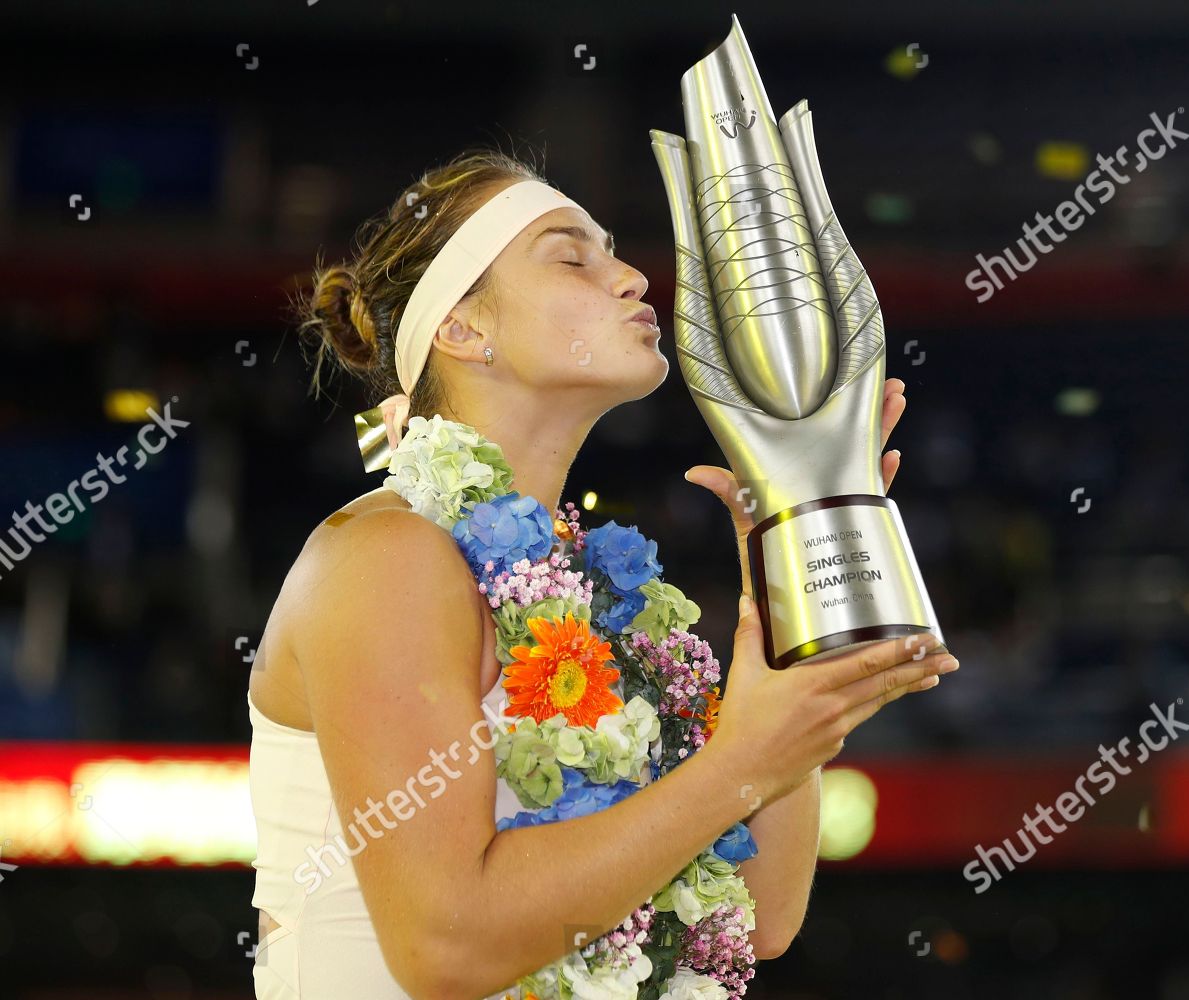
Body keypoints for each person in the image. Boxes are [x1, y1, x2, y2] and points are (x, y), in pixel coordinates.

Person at [246, 145, 959, 998]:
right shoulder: (383, 557)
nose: (630, 278)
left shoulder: (598, 601)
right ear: (463, 328)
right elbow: (444, 947)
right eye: (572, 257)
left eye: (614, 251)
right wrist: (742, 761)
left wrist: (791, 594)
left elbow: (762, 917)